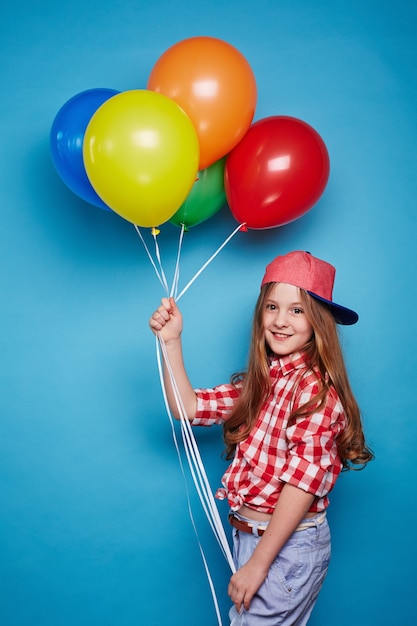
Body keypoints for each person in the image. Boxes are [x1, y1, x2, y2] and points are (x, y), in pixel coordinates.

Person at [149, 250, 373, 626]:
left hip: (285, 548)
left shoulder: (314, 392)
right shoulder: (261, 382)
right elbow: (188, 407)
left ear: (319, 321)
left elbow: (302, 485)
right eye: (272, 306)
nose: (281, 321)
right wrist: (171, 342)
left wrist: (258, 565)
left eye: (297, 310)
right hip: (253, 539)